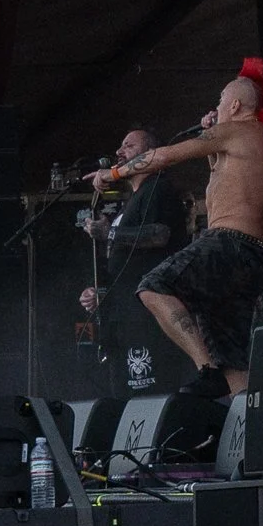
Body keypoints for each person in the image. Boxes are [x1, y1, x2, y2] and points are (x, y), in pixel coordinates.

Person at [95, 58, 263, 400]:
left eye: (219, 100)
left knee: (153, 286)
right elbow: (226, 181)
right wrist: (211, 140)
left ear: (234, 105)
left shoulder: (235, 130)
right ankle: (246, 428)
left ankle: (205, 371)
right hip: (257, 257)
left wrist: (113, 174)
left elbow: (165, 156)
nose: (215, 107)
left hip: (228, 243)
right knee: (232, 357)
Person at [81, 127, 189, 396]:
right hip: (126, 314)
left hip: (147, 317)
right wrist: (102, 294)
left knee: (151, 392)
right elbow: (131, 262)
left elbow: (159, 234)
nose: (119, 151)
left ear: (150, 154)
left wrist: (110, 232)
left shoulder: (159, 188)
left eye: (129, 145)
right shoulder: (135, 199)